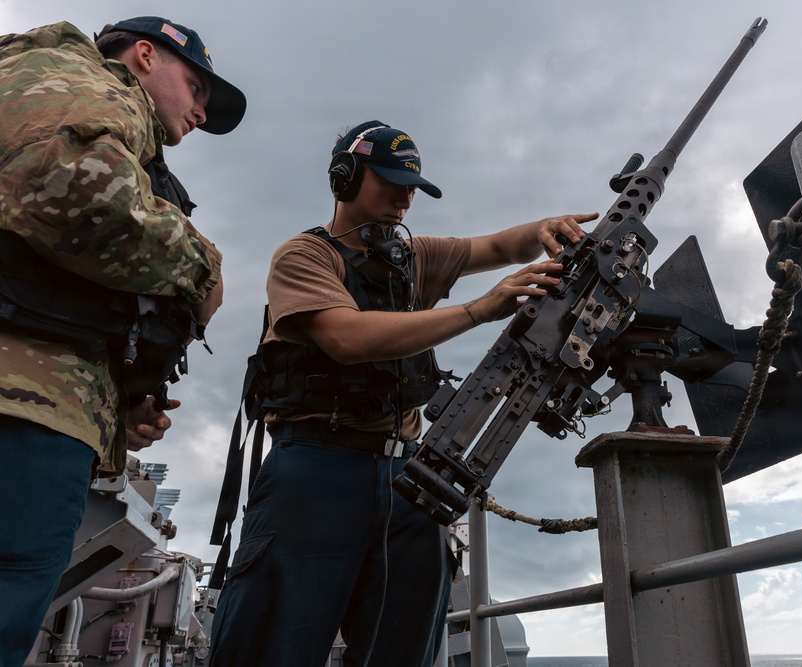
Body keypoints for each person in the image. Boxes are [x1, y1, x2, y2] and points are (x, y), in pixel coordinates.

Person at [207, 120, 597, 666]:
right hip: (316, 469)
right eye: (390, 181)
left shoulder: (412, 257)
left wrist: (547, 230)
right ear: (344, 177)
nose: (404, 197)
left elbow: (498, 245)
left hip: (407, 479)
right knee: (273, 647)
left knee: (404, 650)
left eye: (413, 187)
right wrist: (477, 310)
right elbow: (344, 337)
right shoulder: (304, 257)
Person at [0, 16, 245, 665]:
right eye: (195, 86)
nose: (199, 109)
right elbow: (79, 189)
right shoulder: (91, 84)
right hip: (22, 407)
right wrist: (202, 267)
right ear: (143, 56)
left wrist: (122, 402)